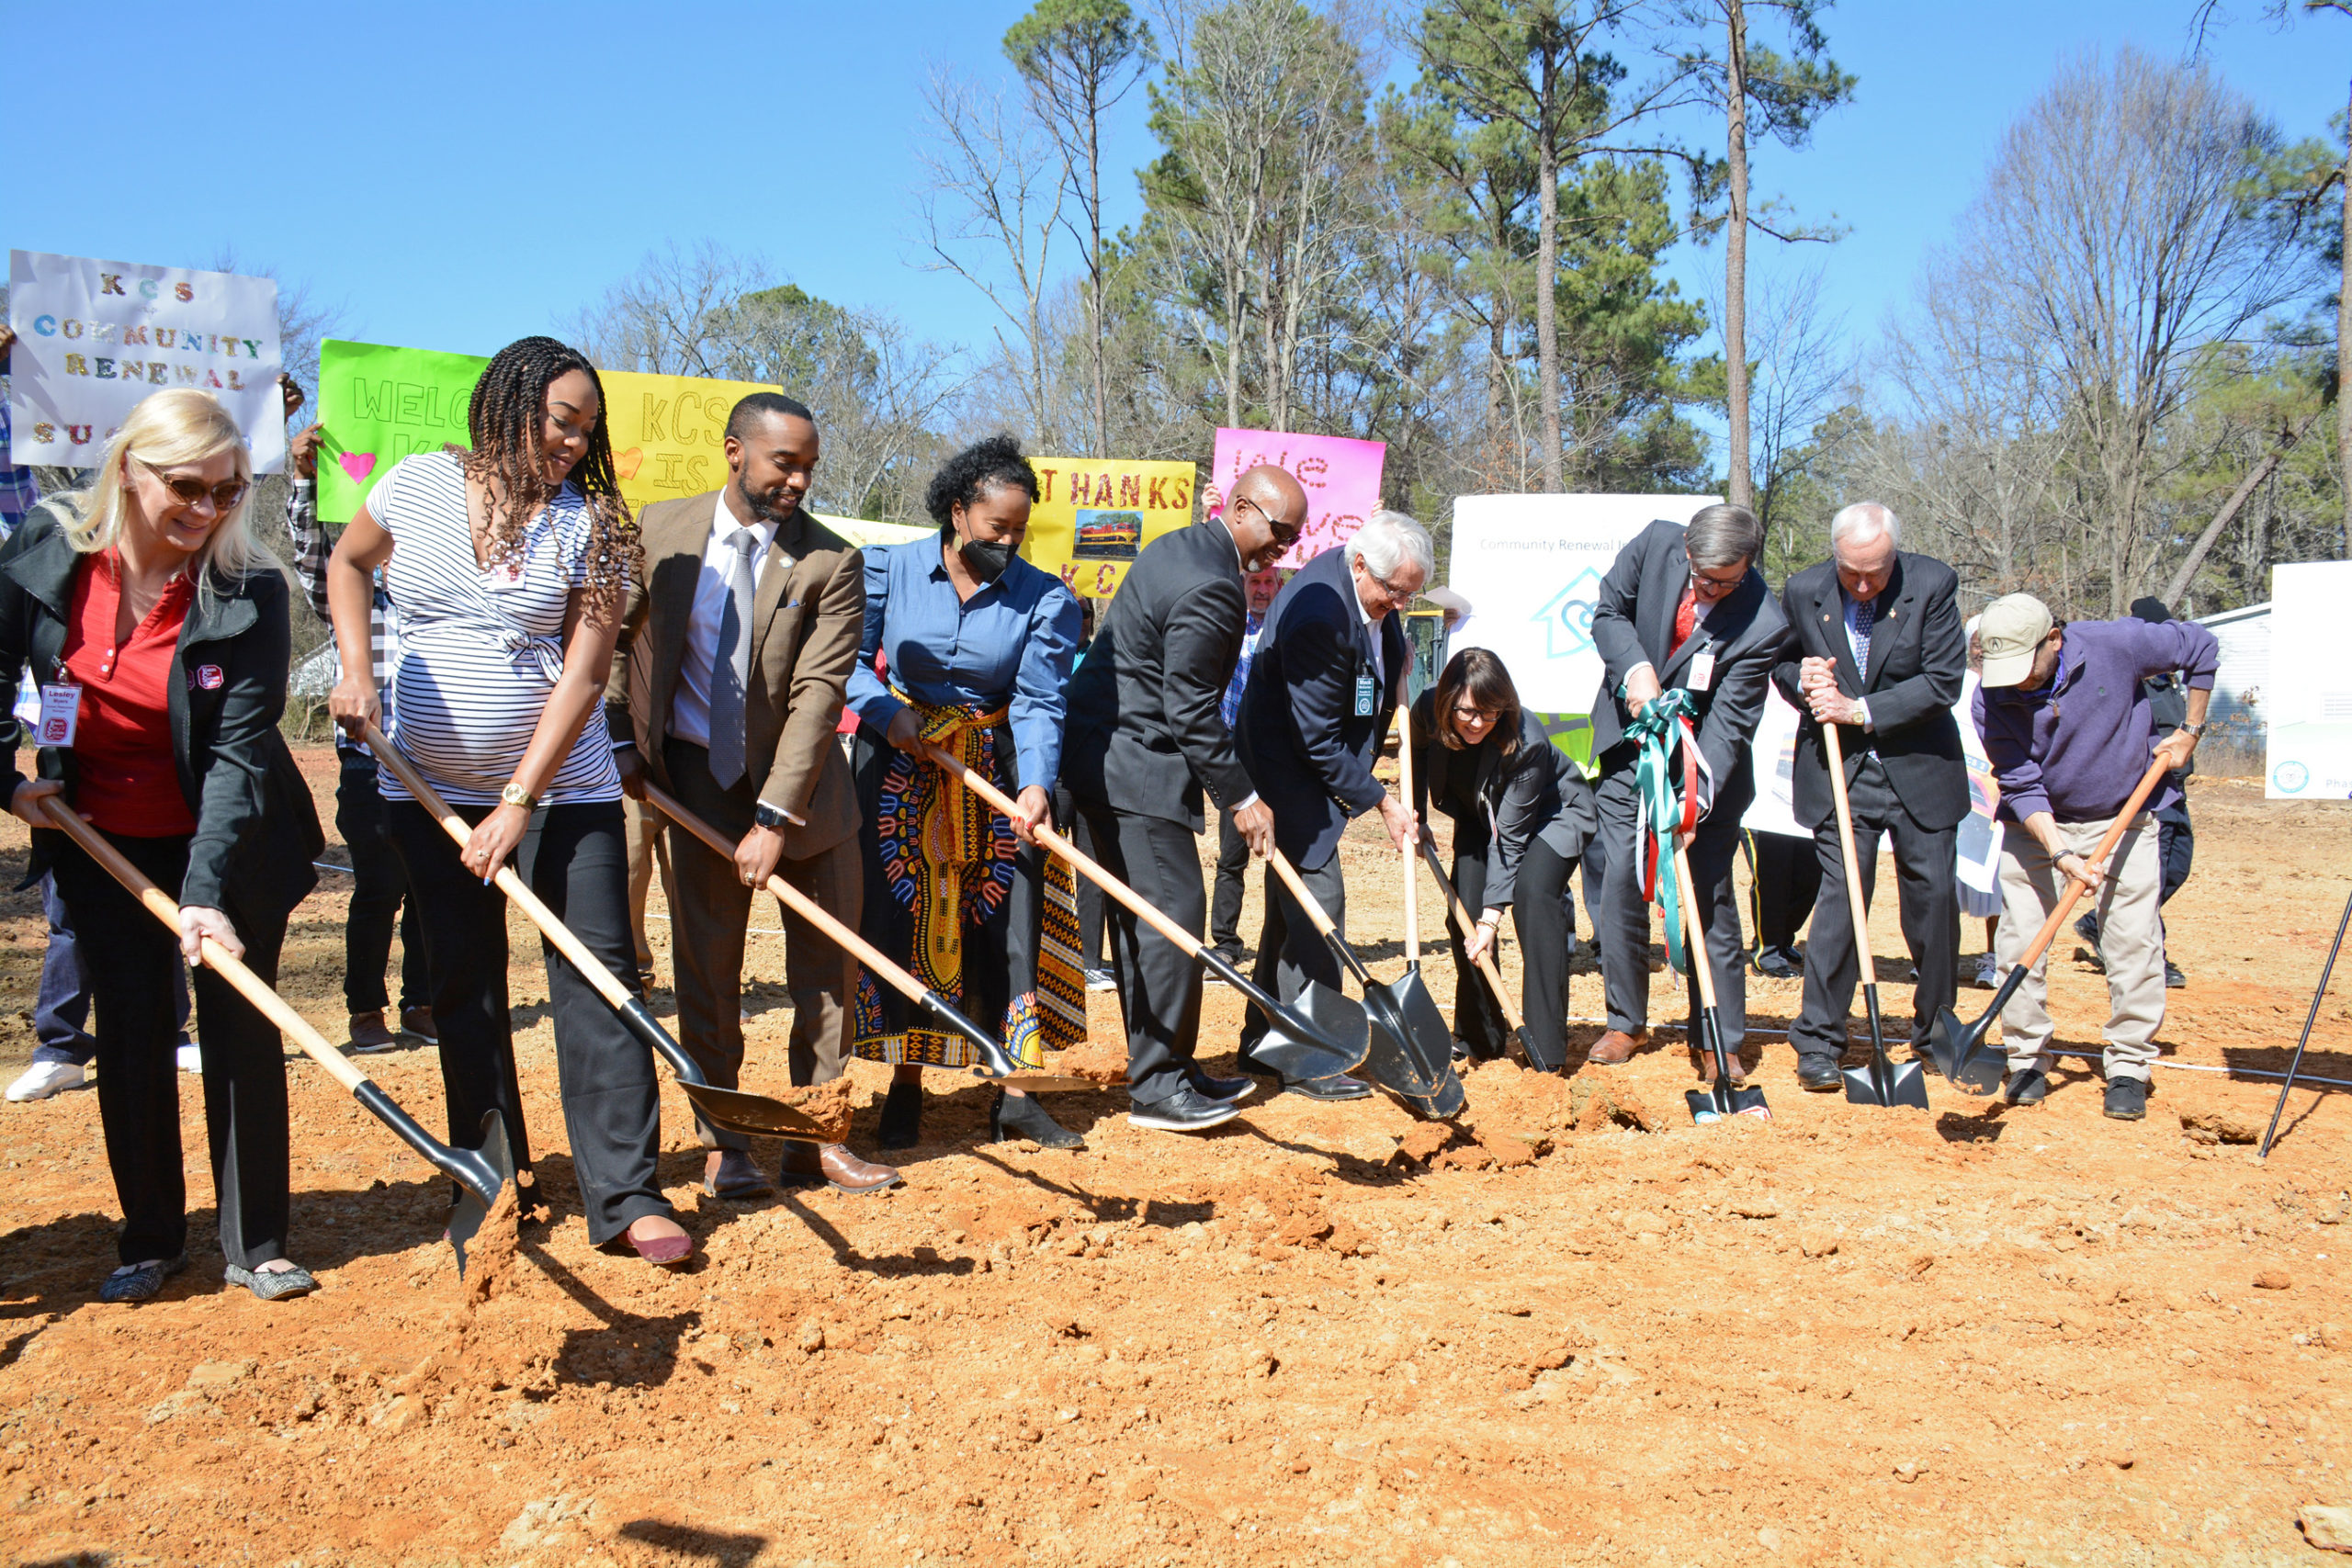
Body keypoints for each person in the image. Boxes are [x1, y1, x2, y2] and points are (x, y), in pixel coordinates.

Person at [327, 335, 694, 1266]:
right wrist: (356, 669)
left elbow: (586, 669)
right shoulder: (411, 486)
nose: (573, 443)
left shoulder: (596, 524)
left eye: (587, 431)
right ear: (508, 401)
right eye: (561, 422)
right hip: (428, 790)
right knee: (463, 984)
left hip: (562, 795)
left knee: (599, 979)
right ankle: (491, 1179)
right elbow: (347, 564)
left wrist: (522, 800)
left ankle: (626, 1191)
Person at [0, 388, 322, 1302]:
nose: (208, 510)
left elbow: (235, 755)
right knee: (134, 1034)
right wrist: (9, 782)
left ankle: (255, 1242)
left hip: (232, 839)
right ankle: (147, 1238)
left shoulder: (246, 589)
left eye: (228, 492)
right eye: (187, 486)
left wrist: (206, 892)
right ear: (129, 471)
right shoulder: (51, 550)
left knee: (238, 1031)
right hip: (98, 833)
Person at [605, 391, 899, 1199]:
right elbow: (614, 638)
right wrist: (621, 738)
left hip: (807, 800)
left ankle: (817, 1138)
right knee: (709, 972)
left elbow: (816, 693)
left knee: (825, 978)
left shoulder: (831, 562)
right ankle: (725, 1139)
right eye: (784, 463)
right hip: (695, 788)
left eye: (809, 466)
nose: (799, 481)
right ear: (734, 451)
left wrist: (776, 815)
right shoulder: (661, 531)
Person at [844, 434, 1085, 1149]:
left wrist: (1037, 784)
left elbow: (1043, 698)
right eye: (994, 529)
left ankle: (1013, 1089)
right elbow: (850, 666)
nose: (1007, 543)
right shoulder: (887, 571)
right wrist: (890, 714)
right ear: (957, 512)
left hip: (996, 769)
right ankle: (904, 1080)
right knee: (899, 920)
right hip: (898, 766)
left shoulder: (1045, 598)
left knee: (1008, 925)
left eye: (1018, 531)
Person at [1065, 464, 1306, 1131]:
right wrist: (1242, 797)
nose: (1282, 548)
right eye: (1278, 530)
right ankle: (1158, 1084)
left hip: (1104, 756)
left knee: (1147, 920)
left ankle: (1169, 1059)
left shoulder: (1183, 546)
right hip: (1135, 766)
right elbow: (1192, 709)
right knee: (1172, 917)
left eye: (1291, 538)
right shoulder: (1214, 584)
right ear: (1240, 507)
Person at [1973, 592, 2217, 1119]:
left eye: (2026, 666)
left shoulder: (2118, 643)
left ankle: (2129, 1064)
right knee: (2020, 939)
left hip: (2125, 814)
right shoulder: (1990, 696)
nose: (2017, 681)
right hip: (2038, 825)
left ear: (2053, 641)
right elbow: (2019, 783)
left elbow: (2201, 647)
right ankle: (2026, 1058)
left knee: (2132, 940)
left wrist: (2190, 730)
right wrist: (2061, 854)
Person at [1583, 505, 1788, 1079]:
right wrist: (1635, 669)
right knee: (1622, 880)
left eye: (1727, 582)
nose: (1711, 591)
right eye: (1703, 578)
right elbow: (1608, 612)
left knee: (1709, 896)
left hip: (1705, 774)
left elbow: (1730, 725)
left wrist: (1692, 800)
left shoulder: (1763, 624)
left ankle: (1717, 1036)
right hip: (1629, 749)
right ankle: (1626, 1021)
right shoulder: (1654, 543)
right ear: (1688, 553)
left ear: (1749, 566)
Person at [1233, 510, 1430, 1099]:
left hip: (1312, 766)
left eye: (1409, 596)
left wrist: (1397, 660)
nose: (1397, 604)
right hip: (1284, 773)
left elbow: (1379, 649)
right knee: (1320, 908)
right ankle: (1311, 1059)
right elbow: (1314, 737)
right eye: (1393, 593)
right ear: (1362, 563)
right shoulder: (1320, 613)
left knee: (1287, 912)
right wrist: (1383, 803)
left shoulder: (1371, 594)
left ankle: (1262, 1041)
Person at [1773, 502, 1968, 1091]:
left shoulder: (1931, 584)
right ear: (1835, 555)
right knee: (1841, 900)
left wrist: (1859, 710)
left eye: (1875, 572)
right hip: (1839, 772)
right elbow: (1779, 664)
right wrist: (1802, 681)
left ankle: (1936, 1030)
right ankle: (1820, 1041)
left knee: (1932, 902)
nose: (1862, 584)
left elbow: (1942, 681)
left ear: (1895, 556)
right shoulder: (1805, 589)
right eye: (1851, 571)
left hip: (1919, 767)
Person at [284, 390, 435, 1055]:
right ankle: (365, 1010)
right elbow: (316, 561)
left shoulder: (444, 600)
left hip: (437, 755)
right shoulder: (354, 596)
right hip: (368, 758)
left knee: (434, 883)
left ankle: (424, 1004)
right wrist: (302, 482)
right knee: (379, 883)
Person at [1408, 648, 1597, 1071]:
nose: (1477, 723)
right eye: (1467, 712)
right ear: (1447, 701)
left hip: (1552, 815)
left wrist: (1493, 919)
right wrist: (1413, 812)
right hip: (1480, 815)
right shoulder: (1427, 709)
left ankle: (1545, 1052)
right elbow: (1415, 751)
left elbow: (1510, 840)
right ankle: (1482, 1037)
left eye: (1490, 713)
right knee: (1464, 916)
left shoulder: (1525, 740)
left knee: (1533, 898)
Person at [2075, 596, 2195, 988]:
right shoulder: (2129, 670)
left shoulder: (2168, 678)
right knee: (2148, 871)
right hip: (2143, 788)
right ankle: (2149, 957)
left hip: (2174, 786)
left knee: (2175, 867)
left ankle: (2096, 921)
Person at [1207, 563, 1283, 969]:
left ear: (1279, 584)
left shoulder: (1290, 628)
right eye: (1254, 581)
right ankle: (1225, 944)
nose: (1262, 590)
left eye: (1269, 582)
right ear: (1243, 584)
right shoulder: (1228, 625)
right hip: (1235, 757)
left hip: (1277, 755)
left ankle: (1278, 945)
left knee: (1282, 857)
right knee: (1231, 856)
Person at [1744, 830, 1816, 979]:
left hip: (1803, 814)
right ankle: (1767, 952)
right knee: (1771, 878)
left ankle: (1783, 939)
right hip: (1764, 814)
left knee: (1810, 875)